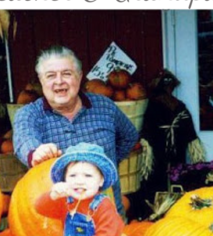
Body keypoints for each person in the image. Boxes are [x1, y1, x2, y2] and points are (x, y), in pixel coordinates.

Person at [13, 45, 139, 216]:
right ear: (41, 81)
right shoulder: (29, 114)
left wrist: (107, 162)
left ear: (79, 77)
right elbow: (24, 139)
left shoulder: (104, 106)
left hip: (108, 217)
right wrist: (35, 153)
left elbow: (129, 136)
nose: (59, 81)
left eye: (67, 74)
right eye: (50, 76)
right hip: (58, 223)